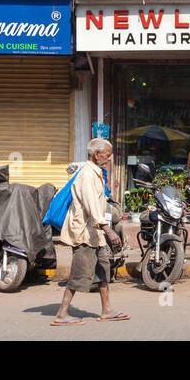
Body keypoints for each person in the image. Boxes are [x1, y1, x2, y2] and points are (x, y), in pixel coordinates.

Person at [53, 138, 129, 325]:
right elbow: (91, 205)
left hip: (95, 233)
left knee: (103, 269)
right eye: (107, 155)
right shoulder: (87, 174)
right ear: (96, 155)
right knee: (79, 273)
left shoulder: (97, 173)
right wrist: (108, 230)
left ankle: (107, 310)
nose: (109, 159)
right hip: (85, 233)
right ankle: (62, 314)